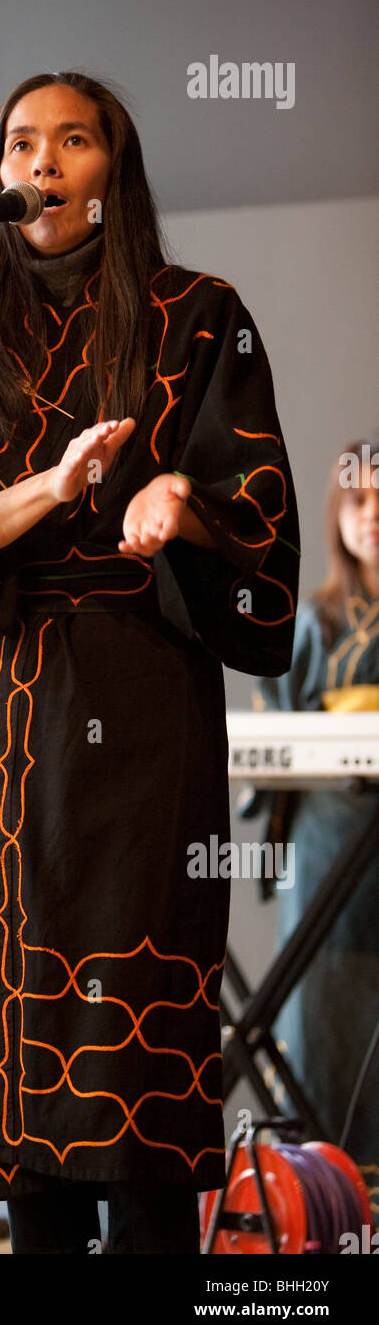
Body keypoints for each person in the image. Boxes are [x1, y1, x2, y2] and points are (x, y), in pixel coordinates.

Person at [0, 70, 300, 1254]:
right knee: (24, 1109)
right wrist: (42, 493)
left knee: (133, 1088)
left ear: (116, 170)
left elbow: (255, 517)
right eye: (18, 142)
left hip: (142, 706)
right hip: (2, 721)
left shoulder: (198, 311)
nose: (40, 162)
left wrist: (181, 504)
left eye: (71, 141)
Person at [255, 436, 379, 1226]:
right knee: (321, 1005)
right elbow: (279, 732)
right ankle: (327, 1196)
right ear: (341, 514)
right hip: (328, 836)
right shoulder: (320, 619)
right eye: (361, 502)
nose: (373, 519)